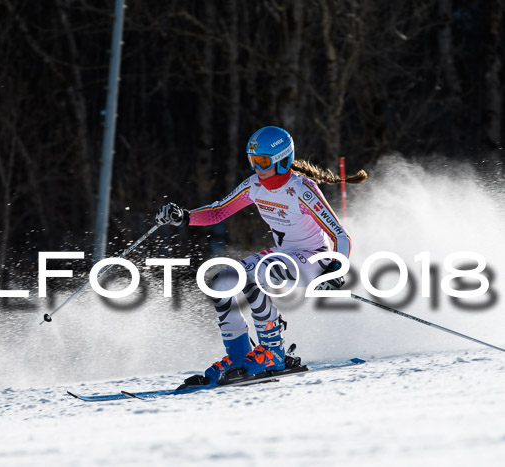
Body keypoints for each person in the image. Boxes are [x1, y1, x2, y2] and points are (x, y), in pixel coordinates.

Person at [155, 126, 367, 385]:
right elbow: (218, 211)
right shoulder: (254, 185)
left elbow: (340, 236)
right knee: (222, 281)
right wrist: (184, 217)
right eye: (253, 160)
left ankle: (273, 352)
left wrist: (335, 271)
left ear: (283, 160)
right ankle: (239, 355)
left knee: (253, 277)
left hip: (314, 258)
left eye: (263, 161)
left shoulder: (302, 189)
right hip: (284, 254)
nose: (257, 168)